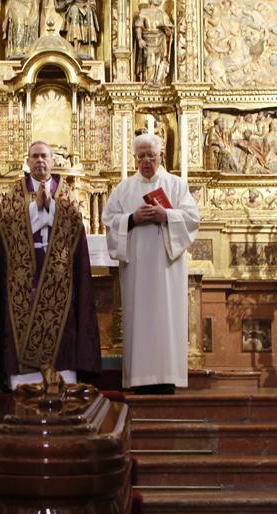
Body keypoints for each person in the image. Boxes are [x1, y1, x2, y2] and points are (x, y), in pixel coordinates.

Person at [0, 141, 101, 390]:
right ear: (28, 160)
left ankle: (63, 375)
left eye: (44, 156)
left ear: (53, 160)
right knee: (21, 318)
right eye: (34, 156)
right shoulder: (15, 193)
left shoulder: (66, 193)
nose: (40, 161)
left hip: (59, 273)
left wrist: (52, 206)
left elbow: (74, 225)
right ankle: (24, 379)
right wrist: (37, 207)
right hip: (23, 274)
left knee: (62, 321)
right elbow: (9, 227)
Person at [102, 133, 199, 394]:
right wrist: (132, 219)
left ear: (161, 156)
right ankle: (139, 378)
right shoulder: (124, 189)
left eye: (151, 155)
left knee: (167, 316)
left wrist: (165, 215)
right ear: (135, 158)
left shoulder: (176, 185)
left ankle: (167, 377)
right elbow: (109, 220)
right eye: (141, 156)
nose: (146, 161)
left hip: (167, 267)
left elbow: (192, 219)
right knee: (139, 317)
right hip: (137, 267)